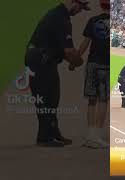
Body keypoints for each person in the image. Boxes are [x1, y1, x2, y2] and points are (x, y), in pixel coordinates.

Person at [24, 0, 89, 147]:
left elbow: (63, 49)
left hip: (42, 58)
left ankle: (53, 133)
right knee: (46, 98)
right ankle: (45, 137)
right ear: (74, 2)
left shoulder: (57, 14)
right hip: (40, 60)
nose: (79, 11)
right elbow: (69, 51)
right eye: (80, 7)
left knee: (52, 96)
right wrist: (77, 61)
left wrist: (72, 59)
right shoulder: (62, 19)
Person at [77, 0, 110, 148]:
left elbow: (85, 43)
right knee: (103, 100)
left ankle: (90, 135)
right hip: (107, 64)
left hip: (92, 62)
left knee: (92, 99)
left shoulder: (92, 20)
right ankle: (97, 135)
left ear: (100, 5)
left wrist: (75, 60)